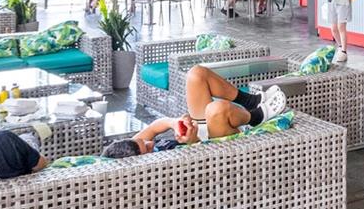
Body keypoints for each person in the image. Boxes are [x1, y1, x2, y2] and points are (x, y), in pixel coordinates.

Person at [105, 65, 287, 154]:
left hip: (199, 136)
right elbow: (196, 162)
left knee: (196, 74)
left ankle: (251, 101)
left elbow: (154, 126)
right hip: (209, 148)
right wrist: (192, 141)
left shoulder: (133, 149)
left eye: (144, 142)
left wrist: (174, 123)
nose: (150, 143)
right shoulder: (155, 170)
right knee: (215, 109)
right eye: (146, 147)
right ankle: (255, 118)